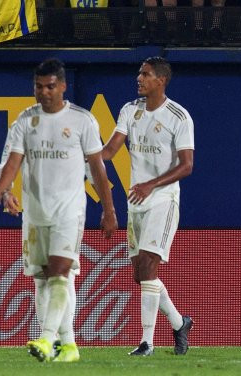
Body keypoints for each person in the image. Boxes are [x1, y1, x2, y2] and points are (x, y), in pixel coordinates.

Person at [0, 58, 118, 362]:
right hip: (35, 213)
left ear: (62, 86)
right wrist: (1, 190)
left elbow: (97, 170)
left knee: (60, 272)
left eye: (49, 86)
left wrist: (108, 210)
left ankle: (46, 340)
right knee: (45, 279)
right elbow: (13, 162)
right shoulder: (24, 121)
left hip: (69, 212)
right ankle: (68, 345)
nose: (43, 92)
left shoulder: (83, 120)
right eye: (38, 86)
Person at [102, 56, 194, 356]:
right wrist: (87, 155)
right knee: (141, 274)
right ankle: (180, 322)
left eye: (145, 74)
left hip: (162, 200)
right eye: (139, 73)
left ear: (161, 80)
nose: (138, 78)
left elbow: (187, 166)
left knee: (149, 266)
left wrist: (151, 184)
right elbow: (112, 149)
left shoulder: (179, 117)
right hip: (136, 200)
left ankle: (147, 342)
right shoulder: (131, 109)